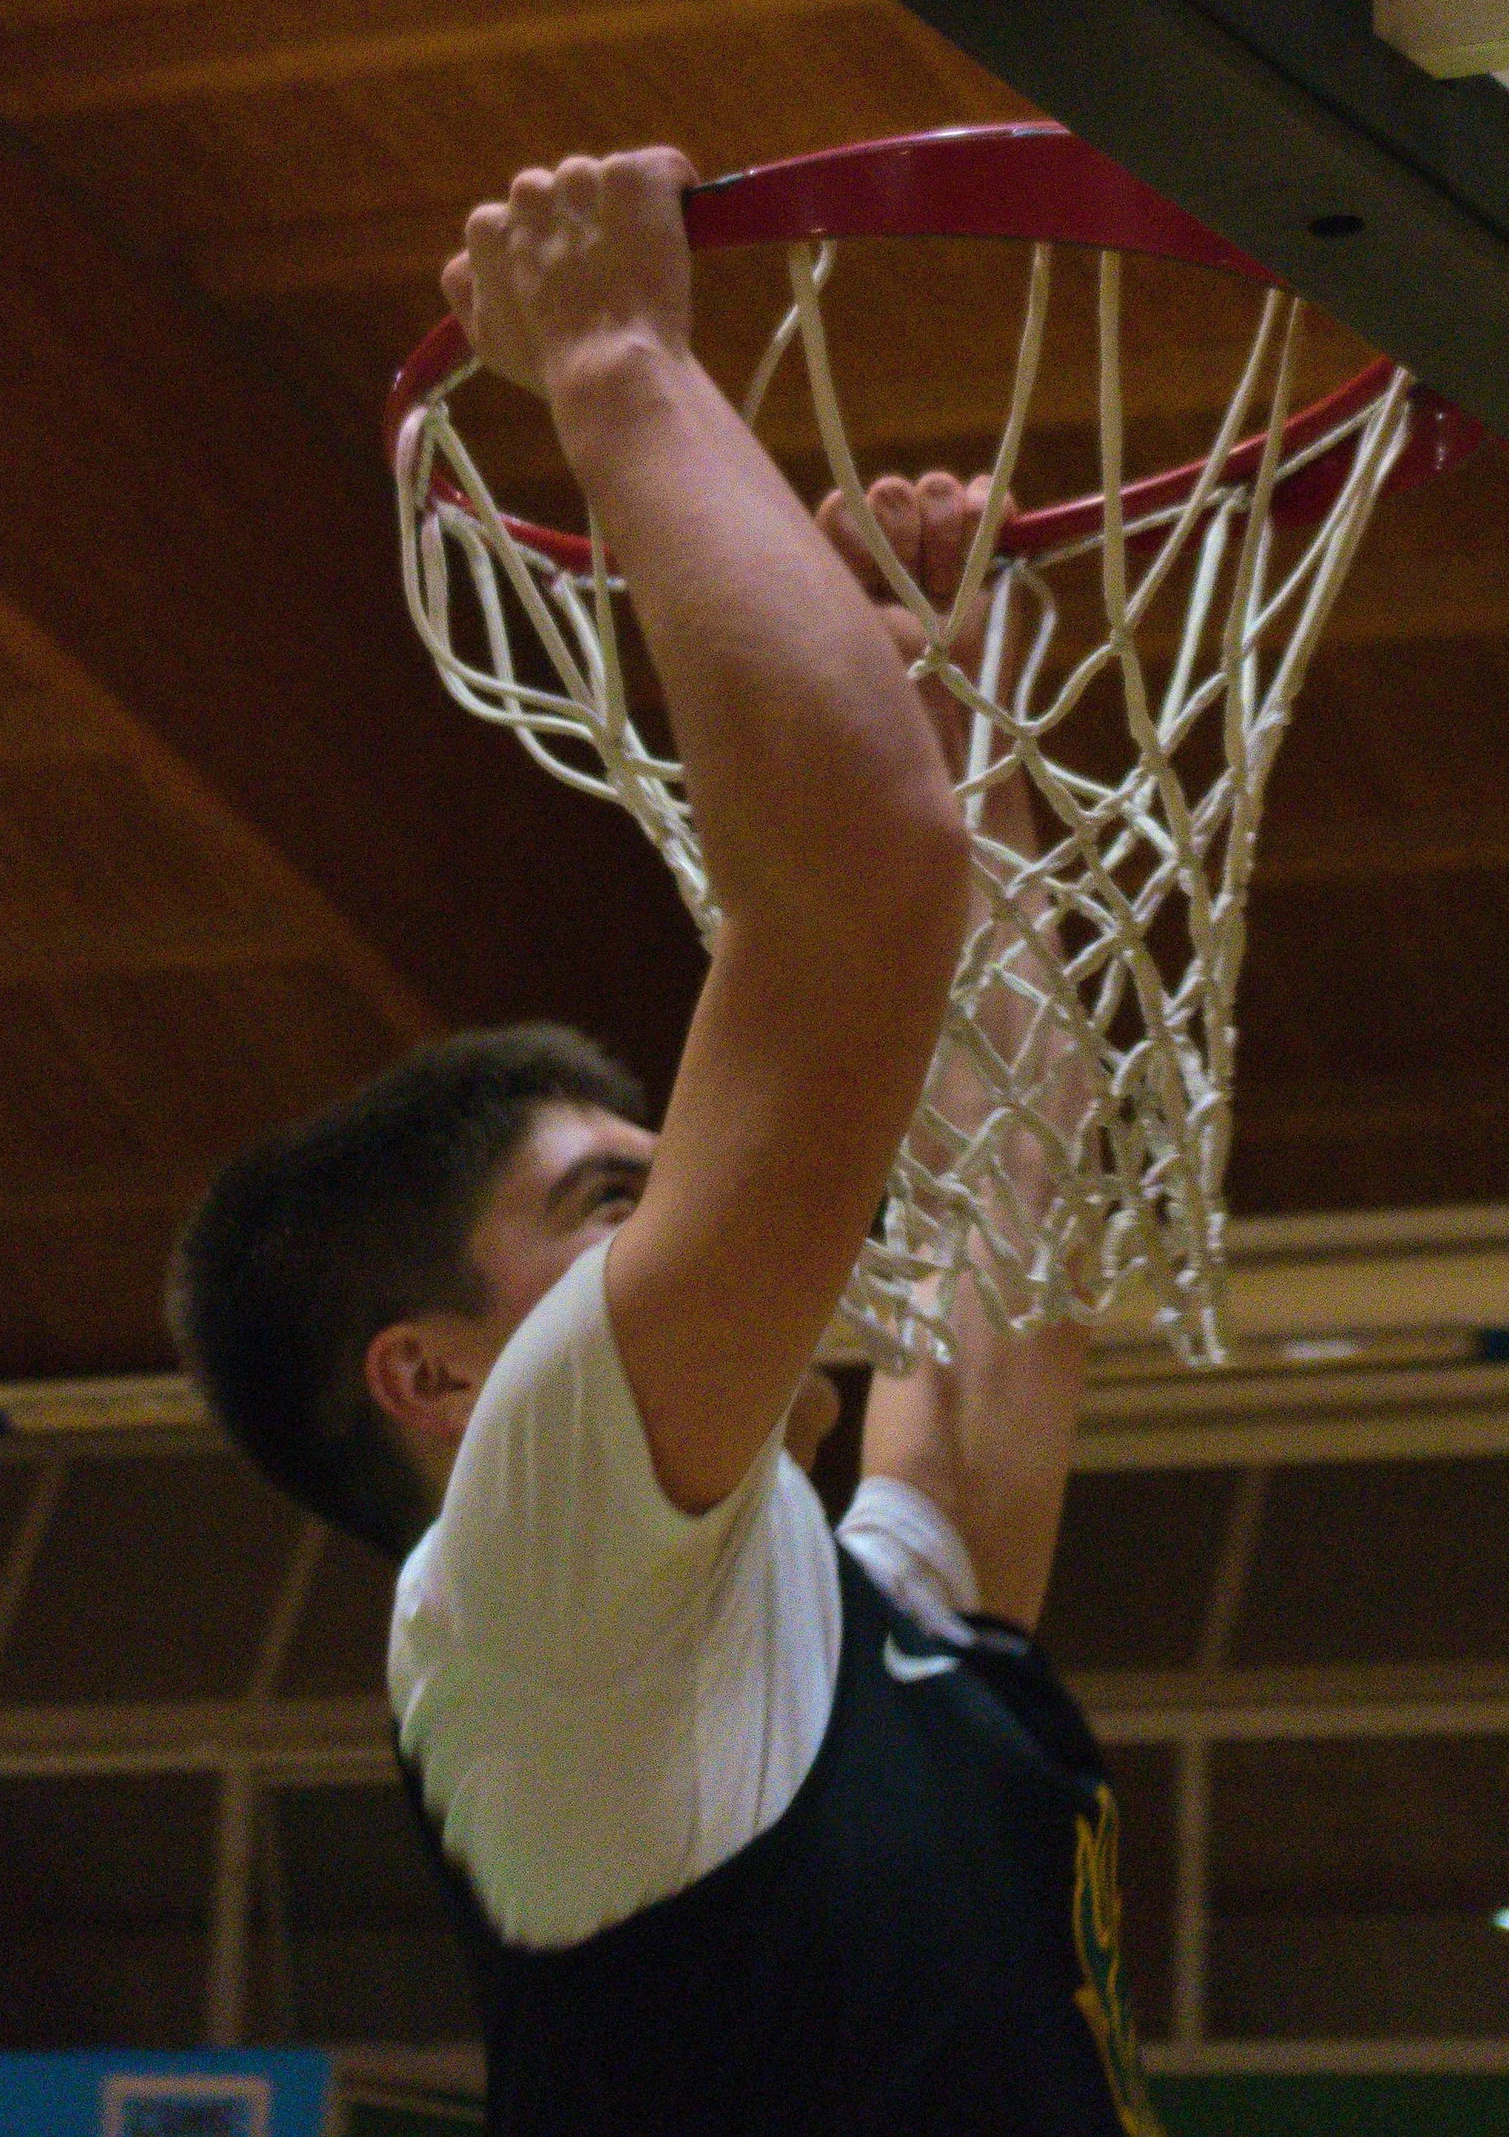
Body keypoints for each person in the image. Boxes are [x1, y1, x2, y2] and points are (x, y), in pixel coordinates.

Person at [170, 148, 1163, 2135]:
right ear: (438, 1377)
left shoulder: (809, 1617)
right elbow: (855, 880)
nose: (692, 1200)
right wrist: (615, 362)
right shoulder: (530, 1591)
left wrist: (973, 727)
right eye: (607, 1197)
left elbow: (1004, 1270)